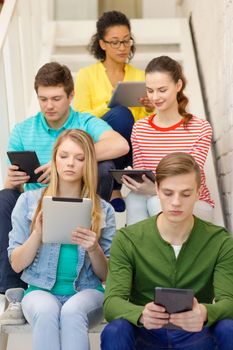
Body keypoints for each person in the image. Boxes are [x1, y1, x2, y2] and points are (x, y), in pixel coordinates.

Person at [0, 61, 128, 294]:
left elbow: (120, 145)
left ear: (71, 96)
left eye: (56, 98)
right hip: (35, 208)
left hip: (81, 201)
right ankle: (14, 290)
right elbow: (12, 190)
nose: (48, 106)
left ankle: (90, 256)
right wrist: (13, 180)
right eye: (43, 99)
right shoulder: (22, 130)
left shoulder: (84, 122)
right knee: (3, 197)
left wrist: (65, 162)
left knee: (104, 165)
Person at [101, 152, 233, 350]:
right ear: (156, 190)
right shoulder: (127, 239)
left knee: (228, 328)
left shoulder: (220, 241)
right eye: (168, 193)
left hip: (196, 334)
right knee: (115, 330)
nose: (176, 202)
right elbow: (111, 303)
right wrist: (141, 314)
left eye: (186, 194)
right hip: (145, 333)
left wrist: (205, 313)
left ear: (198, 193)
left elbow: (229, 301)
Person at [8, 129, 116, 350]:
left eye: (79, 158)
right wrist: (37, 234)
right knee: (47, 311)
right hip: (39, 290)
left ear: (88, 164)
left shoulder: (104, 209)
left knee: (72, 311)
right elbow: (16, 264)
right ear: (54, 158)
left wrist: (93, 248)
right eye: (64, 156)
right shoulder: (28, 202)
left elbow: (106, 275)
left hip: (87, 291)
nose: (70, 164)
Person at [74, 11, 154, 211]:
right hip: (101, 141)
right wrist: (109, 103)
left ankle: (113, 187)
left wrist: (148, 108)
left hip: (130, 143)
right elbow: (81, 117)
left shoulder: (140, 75)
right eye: (115, 42)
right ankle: (115, 188)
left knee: (126, 117)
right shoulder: (86, 75)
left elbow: (146, 123)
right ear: (102, 44)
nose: (122, 47)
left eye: (127, 41)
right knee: (120, 113)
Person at [123, 55, 214, 225]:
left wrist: (155, 190)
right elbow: (143, 174)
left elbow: (188, 178)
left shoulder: (200, 128)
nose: (155, 97)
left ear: (178, 85)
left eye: (162, 90)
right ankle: (138, 251)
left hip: (193, 203)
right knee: (134, 198)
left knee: (156, 201)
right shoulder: (140, 128)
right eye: (150, 90)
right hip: (154, 196)